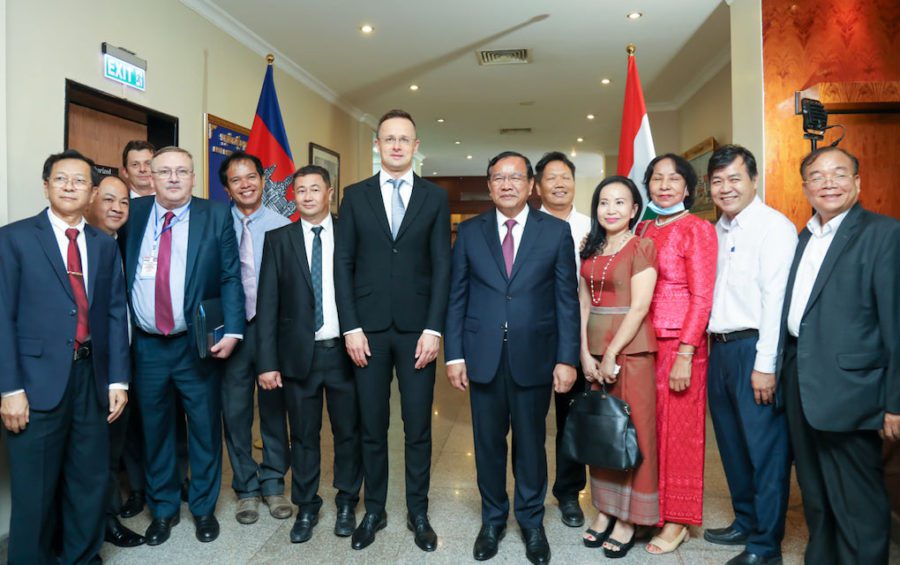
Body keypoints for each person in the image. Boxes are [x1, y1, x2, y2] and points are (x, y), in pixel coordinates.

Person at [445, 151, 580, 565]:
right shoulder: (469, 233)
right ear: (489, 186)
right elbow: (457, 298)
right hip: (482, 355)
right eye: (498, 178)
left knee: (531, 444)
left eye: (515, 177)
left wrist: (567, 358)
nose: (507, 184)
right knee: (487, 444)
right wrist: (454, 355)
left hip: (535, 356)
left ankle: (532, 522)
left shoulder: (555, 232)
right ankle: (492, 520)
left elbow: (566, 301)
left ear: (530, 185)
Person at [0, 150, 130, 563]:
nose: (70, 187)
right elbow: (2, 317)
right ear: (46, 186)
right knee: (34, 491)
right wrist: (10, 388)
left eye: (79, 181)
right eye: (61, 179)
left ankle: (82, 558)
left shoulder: (103, 245)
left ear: (93, 193)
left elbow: (113, 312)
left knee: (88, 481)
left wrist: (117, 381)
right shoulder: (14, 238)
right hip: (35, 385)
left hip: (91, 379)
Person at [334, 109, 450, 552]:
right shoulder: (355, 195)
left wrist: (434, 328)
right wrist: (351, 327)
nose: (397, 145)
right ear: (377, 145)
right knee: (371, 426)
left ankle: (417, 512)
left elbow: (443, 267)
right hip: (369, 332)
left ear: (416, 146)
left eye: (405, 139)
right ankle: (374, 510)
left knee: (418, 427)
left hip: (418, 331)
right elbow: (342, 266)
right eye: (389, 138)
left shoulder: (434, 198)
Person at [777, 146, 899, 565]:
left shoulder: (884, 234)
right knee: (816, 494)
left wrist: (895, 404)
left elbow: (896, 325)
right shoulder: (806, 235)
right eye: (818, 175)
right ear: (806, 187)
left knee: (858, 501)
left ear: (857, 182)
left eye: (839, 173)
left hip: (852, 389)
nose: (828, 182)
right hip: (801, 382)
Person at [122, 146, 244, 545]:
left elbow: (230, 277)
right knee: (155, 429)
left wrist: (232, 330)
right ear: (150, 177)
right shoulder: (133, 216)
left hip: (196, 343)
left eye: (182, 171)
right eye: (165, 171)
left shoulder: (215, 215)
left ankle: (204, 508)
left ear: (194, 177)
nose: (174, 178)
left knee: (204, 428)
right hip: (147, 346)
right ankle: (163, 509)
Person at [257, 165, 363, 544]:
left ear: (329, 193)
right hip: (298, 356)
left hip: (345, 355)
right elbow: (267, 304)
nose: (306, 196)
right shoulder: (279, 239)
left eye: (314, 189)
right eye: (299, 190)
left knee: (348, 433)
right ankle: (306, 505)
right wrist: (267, 362)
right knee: (303, 435)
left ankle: (348, 501)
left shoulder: (350, 235)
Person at [703, 145, 796, 565]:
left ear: (754, 180)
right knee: (733, 445)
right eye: (718, 181)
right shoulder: (715, 230)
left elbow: (775, 299)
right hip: (718, 350)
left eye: (734, 179)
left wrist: (765, 365)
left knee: (766, 451)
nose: (726, 188)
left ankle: (765, 545)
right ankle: (745, 520)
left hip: (753, 349)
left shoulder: (773, 227)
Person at [637, 154, 716, 551]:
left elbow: (702, 297)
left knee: (679, 433)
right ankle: (650, 509)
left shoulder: (697, 229)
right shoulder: (644, 226)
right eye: (656, 179)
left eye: (673, 179)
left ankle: (678, 520)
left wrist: (686, 352)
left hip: (679, 344)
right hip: (643, 343)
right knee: (648, 430)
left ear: (688, 188)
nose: (664, 185)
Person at [578, 176, 659, 559]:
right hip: (594, 350)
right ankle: (606, 510)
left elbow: (640, 306)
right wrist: (584, 352)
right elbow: (582, 302)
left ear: (633, 210)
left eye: (620, 202)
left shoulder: (642, 246)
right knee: (602, 431)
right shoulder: (590, 247)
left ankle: (630, 519)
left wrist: (611, 354)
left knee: (633, 432)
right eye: (604, 202)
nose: (611, 209)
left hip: (630, 351)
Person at [219, 151, 292, 525]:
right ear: (227, 188)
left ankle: (274, 482)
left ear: (263, 180)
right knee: (235, 412)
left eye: (252, 177)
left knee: (274, 411)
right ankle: (246, 487)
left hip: (271, 331)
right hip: (231, 332)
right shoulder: (215, 223)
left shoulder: (283, 225)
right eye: (236, 179)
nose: (245, 184)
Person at [83, 174, 147, 548]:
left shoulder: (119, 244)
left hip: (121, 367)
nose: (117, 209)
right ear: (92, 199)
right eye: (109, 200)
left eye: (124, 202)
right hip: (90, 369)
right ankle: (101, 524)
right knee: (91, 455)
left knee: (110, 450)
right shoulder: (82, 247)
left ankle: (106, 520)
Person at [535, 151, 592, 529]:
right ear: (537, 187)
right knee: (529, 420)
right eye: (551, 178)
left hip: (579, 333)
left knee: (573, 419)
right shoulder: (526, 226)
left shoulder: (593, 227)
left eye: (565, 177)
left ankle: (569, 493)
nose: (559, 183)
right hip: (534, 335)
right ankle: (531, 492)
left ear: (574, 182)